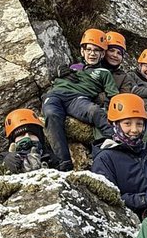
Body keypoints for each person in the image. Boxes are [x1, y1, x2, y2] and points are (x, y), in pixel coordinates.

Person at [42, 28, 118, 171]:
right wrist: (58, 72)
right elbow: (52, 79)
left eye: (96, 50)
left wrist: (110, 106)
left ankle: (116, 139)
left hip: (77, 98)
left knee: (94, 110)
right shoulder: (74, 67)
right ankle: (64, 163)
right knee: (51, 114)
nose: (92, 53)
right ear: (82, 51)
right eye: (88, 49)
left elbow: (113, 95)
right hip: (55, 94)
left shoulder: (104, 73)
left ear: (102, 54)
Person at [91, 94, 147, 218]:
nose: (134, 130)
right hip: (133, 219)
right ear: (115, 125)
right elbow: (108, 198)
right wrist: (146, 200)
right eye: (127, 123)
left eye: (139, 124)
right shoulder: (105, 159)